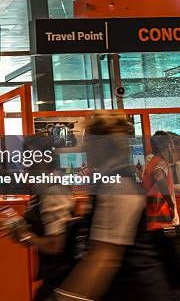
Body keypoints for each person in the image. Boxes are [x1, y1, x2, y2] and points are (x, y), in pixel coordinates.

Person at [51, 112, 176, 301]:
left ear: (102, 146)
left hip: (142, 291)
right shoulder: (110, 182)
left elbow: (104, 259)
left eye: (89, 142)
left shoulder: (118, 187)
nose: (85, 149)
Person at [0, 134, 77, 301]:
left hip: (62, 279)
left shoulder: (53, 191)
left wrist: (24, 235)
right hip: (55, 276)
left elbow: (55, 245)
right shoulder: (42, 188)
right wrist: (16, 227)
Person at [143, 131, 179, 230]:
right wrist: (171, 204)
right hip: (162, 218)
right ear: (166, 148)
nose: (173, 150)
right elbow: (159, 177)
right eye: (171, 147)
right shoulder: (161, 163)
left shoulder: (151, 163)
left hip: (153, 218)